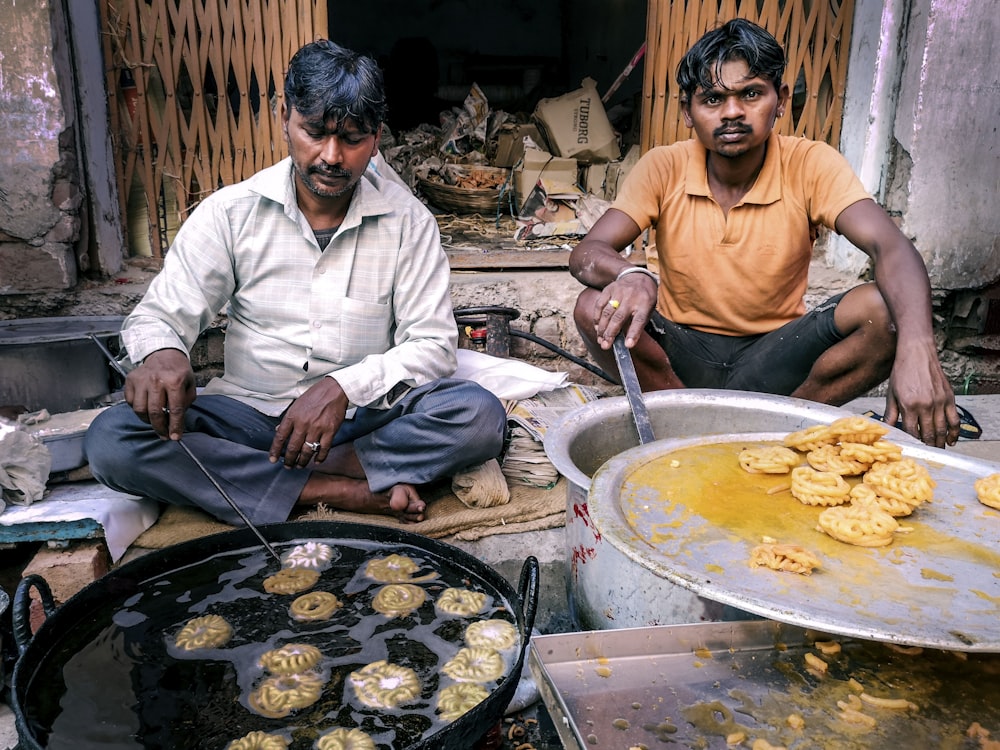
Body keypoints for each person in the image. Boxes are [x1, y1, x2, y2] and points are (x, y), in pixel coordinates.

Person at [85, 40, 507, 526]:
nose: (332, 156)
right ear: (284, 115)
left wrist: (341, 387)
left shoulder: (408, 222)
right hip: (250, 420)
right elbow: (160, 315)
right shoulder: (230, 213)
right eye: (314, 133)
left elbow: (432, 346)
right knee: (112, 439)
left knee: (478, 417)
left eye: (352, 139)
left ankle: (278, 481)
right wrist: (162, 353)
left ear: (377, 138)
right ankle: (340, 489)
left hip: (360, 423)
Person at [569, 18, 959, 448]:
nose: (732, 112)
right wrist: (632, 275)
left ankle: (780, 437)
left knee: (882, 312)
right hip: (680, 358)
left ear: (781, 101)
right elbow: (588, 252)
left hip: (776, 357)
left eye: (751, 94)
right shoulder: (663, 166)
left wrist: (920, 348)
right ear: (687, 112)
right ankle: (685, 430)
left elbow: (890, 246)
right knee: (593, 305)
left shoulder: (811, 163)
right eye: (712, 99)